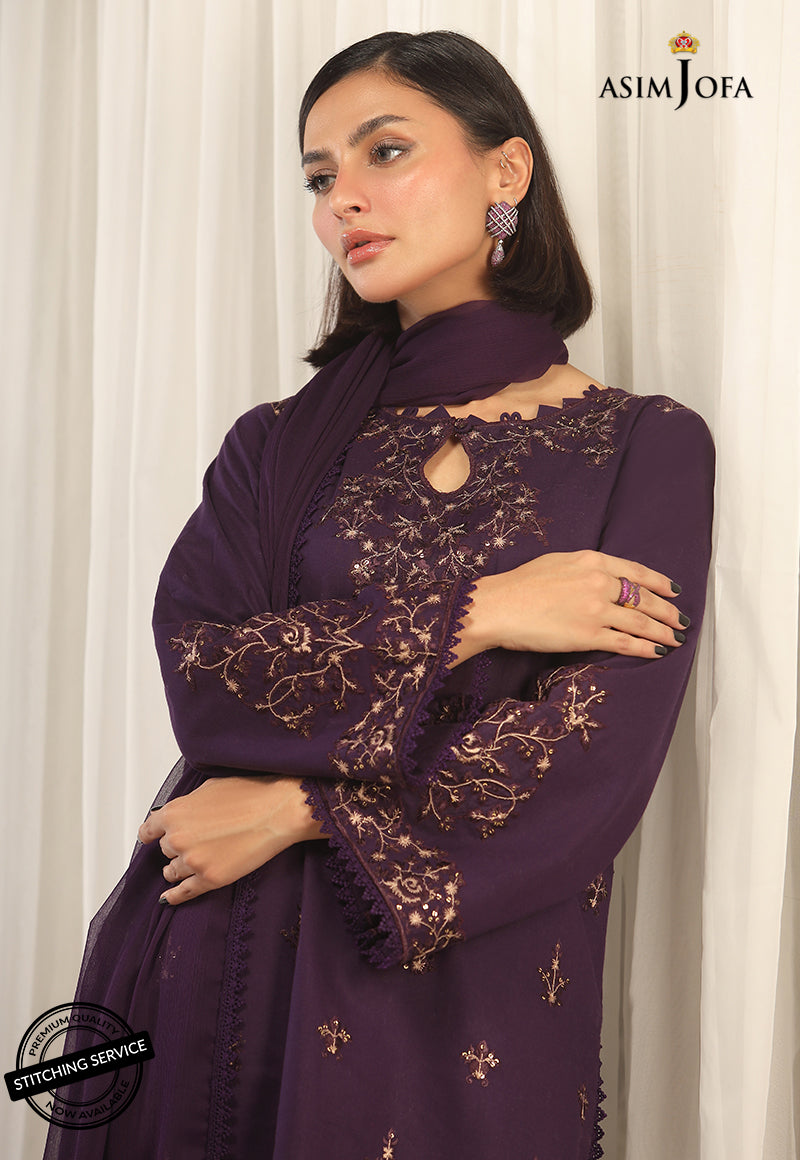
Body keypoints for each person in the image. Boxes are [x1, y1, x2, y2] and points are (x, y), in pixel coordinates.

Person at [45, 30, 714, 1160]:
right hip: (218, 956)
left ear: (507, 170)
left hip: (460, 993)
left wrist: (299, 811)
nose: (340, 201)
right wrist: (483, 613)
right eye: (318, 177)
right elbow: (207, 676)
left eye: (384, 152)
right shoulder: (273, 446)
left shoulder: (640, 445)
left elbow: (590, 760)